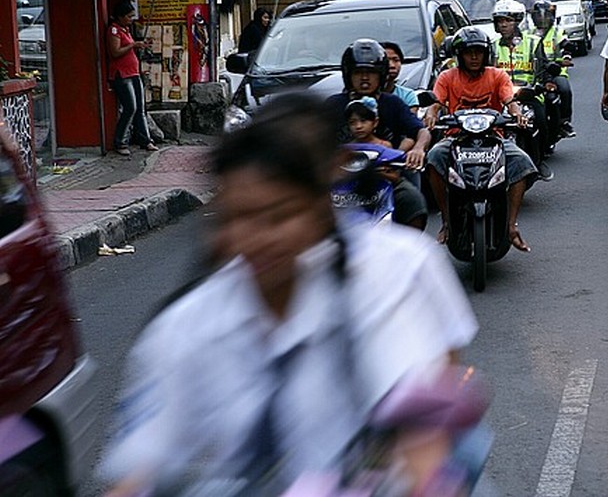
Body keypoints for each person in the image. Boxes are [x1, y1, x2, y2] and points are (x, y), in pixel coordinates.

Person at [100, 93, 481, 496]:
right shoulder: (186, 325)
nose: (256, 238)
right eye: (238, 217)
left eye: (279, 216)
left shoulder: (388, 274)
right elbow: (140, 467)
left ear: (319, 207)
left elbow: (422, 430)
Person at [424, 27, 537, 252]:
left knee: (522, 162)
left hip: (493, 139)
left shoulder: (497, 76)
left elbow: (509, 99)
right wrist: (430, 115)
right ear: (460, 55)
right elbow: (435, 103)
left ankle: (511, 225)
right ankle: (446, 221)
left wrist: (516, 113)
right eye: (469, 52)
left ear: (486, 54)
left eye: (479, 52)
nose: (474, 57)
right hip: (456, 139)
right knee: (433, 158)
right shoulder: (447, 77)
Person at [325, 40, 430, 230]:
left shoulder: (393, 103)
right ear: (348, 75)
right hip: (339, 181)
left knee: (413, 201)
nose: (365, 78)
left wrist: (418, 149)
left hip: (385, 177)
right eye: (358, 72)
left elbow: (420, 130)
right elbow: (312, 137)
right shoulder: (333, 105)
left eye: (371, 72)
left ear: (381, 75)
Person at [491, 0, 553, 181]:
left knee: (540, 121)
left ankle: (539, 160)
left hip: (529, 95)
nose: (503, 25)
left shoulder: (533, 42)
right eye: (500, 21)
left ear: (518, 22)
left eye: (508, 20)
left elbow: (543, 67)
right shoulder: (493, 46)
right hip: (503, 97)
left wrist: (543, 84)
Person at [106, 1, 157, 157]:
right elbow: (115, 52)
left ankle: (145, 139)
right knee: (130, 108)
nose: (131, 19)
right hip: (121, 74)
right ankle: (120, 141)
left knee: (140, 108)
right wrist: (133, 45)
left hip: (133, 72)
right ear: (120, 17)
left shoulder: (125, 29)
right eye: (129, 16)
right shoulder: (114, 30)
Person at [525, 0, 576, 139]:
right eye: (539, 15)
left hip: (555, 71)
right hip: (536, 73)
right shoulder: (528, 33)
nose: (542, 18)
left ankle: (564, 122)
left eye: (546, 15)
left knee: (564, 89)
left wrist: (566, 57)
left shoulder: (557, 32)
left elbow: (566, 45)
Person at [380, 41, 419, 111]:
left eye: (396, 60)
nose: (392, 65)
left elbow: (410, 120)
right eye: (387, 60)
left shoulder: (407, 96)